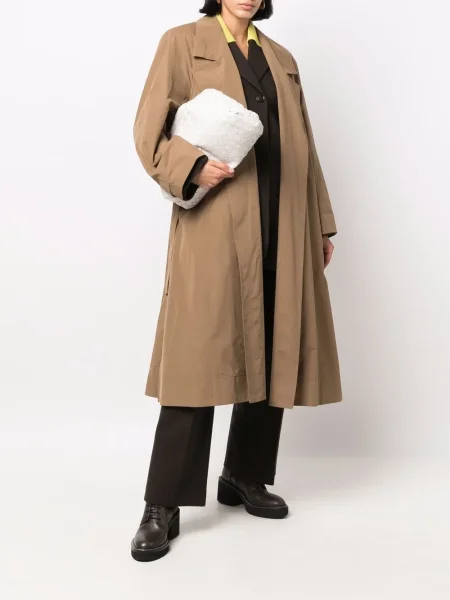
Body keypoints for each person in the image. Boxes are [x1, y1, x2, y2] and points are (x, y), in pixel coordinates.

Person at [131, 0, 342, 562]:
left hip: (283, 222)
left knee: (274, 344)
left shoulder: (281, 58)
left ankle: (244, 475)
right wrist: (192, 166)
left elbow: (305, 145)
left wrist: (320, 223)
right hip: (216, 222)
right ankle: (162, 503)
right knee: (195, 357)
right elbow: (149, 131)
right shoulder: (182, 42)